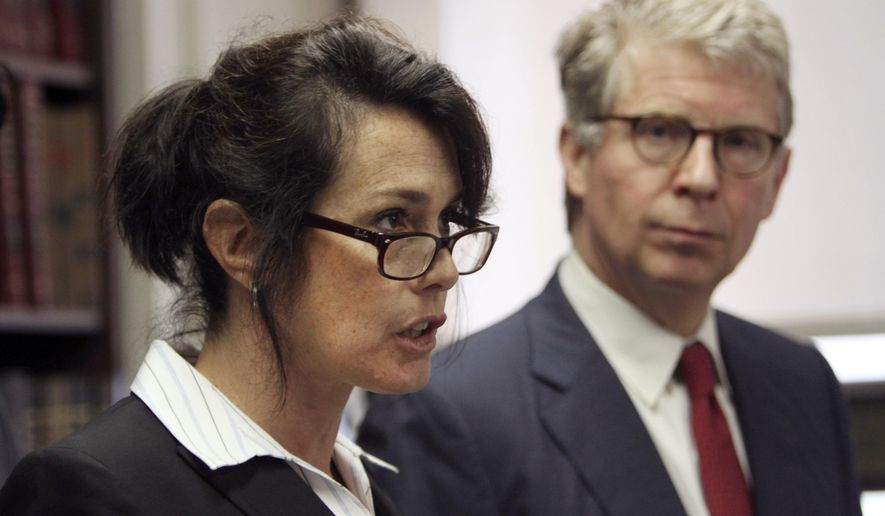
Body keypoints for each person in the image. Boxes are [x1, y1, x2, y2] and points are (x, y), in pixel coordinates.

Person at [357, 1, 862, 515]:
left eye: (739, 142)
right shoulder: (447, 413)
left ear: (777, 179)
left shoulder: (804, 383)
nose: (702, 178)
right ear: (577, 154)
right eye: (659, 132)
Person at [0, 14, 498, 515]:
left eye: (447, 221)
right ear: (242, 244)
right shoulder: (91, 491)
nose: (444, 272)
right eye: (393, 221)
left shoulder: (365, 489)